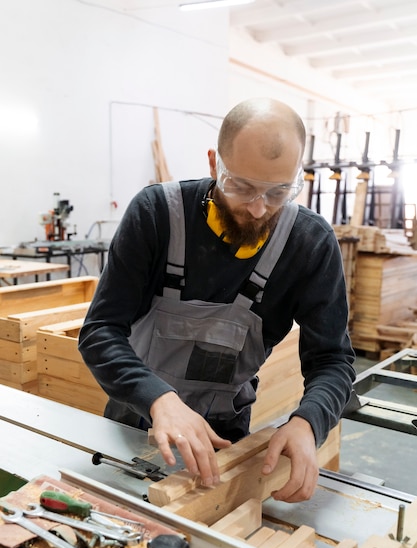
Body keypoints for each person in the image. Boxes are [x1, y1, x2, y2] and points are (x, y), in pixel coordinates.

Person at [79, 97, 356, 503]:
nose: (258, 208)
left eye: (279, 192)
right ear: (214, 164)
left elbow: (332, 360)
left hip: (224, 437)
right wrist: (158, 398)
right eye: (241, 187)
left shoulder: (310, 244)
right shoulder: (157, 215)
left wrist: (308, 423)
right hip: (133, 422)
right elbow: (100, 331)